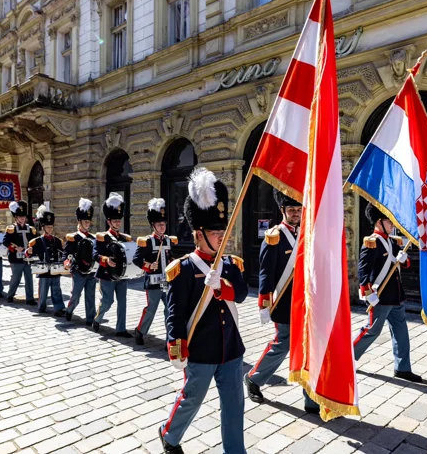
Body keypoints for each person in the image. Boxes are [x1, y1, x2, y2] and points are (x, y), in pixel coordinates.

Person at [158, 168, 248, 454]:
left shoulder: (232, 264)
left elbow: (243, 293)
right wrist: (176, 343)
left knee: (234, 405)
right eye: (214, 232)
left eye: (223, 231)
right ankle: (169, 434)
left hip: (231, 349)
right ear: (199, 235)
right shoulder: (183, 269)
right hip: (200, 348)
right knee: (192, 398)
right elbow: (175, 312)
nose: (221, 237)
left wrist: (223, 285)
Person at [244, 189, 320, 414]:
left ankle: (310, 399)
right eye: (291, 210)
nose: (296, 213)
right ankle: (254, 379)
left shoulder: (305, 233)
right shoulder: (274, 236)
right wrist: (264, 304)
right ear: (282, 210)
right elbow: (265, 274)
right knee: (283, 344)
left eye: (298, 209)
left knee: (309, 347)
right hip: (284, 301)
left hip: (307, 301)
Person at [353, 203, 420, 383]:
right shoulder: (372, 243)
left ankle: (403, 367)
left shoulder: (393, 241)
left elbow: (403, 264)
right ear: (378, 222)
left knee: (401, 333)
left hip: (396, 294)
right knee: (372, 331)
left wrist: (404, 259)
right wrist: (367, 294)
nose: (392, 224)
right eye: (388, 221)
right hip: (380, 296)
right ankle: (348, 358)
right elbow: (363, 271)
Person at [132, 198, 177, 345]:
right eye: (159, 224)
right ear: (153, 225)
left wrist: (172, 262)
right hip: (153, 281)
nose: (162, 227)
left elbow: (169, 256)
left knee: (170, 310)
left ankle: (169, 340)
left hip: (167, 281)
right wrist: (149, 265)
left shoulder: (168, 241)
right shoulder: (147, 241)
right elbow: (137, 259)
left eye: (164, 224)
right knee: (151, 309)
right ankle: (140, 331)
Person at [91, 193, 132, 337]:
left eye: (119, 221)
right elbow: (95, 255)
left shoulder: (124, 238)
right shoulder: (101, 237)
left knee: (122, 303)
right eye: (115, 221)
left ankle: (121, 329)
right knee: (108, 301)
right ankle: (97, 319)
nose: (118, 224)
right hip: (107, 275)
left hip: (121, 274)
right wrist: (106, 260)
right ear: (109, 222)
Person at [26, 205, 65, 316]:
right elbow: (29, 253)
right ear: (43, 228)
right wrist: (28, 252)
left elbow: (62, 252)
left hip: (55, 269)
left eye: (51, 227)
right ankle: (41, 306)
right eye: (47, 227)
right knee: (43, 290)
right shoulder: (36, 241)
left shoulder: (57, 241)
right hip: (43, 270)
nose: (50, 229)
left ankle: (58, 308)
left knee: (56, 289)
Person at [63, 198, 97, 325]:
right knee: (76, 295)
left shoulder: (93, 238)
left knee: (90, 297)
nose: (87, 224)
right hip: (78, 270)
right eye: (85, 221)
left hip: (91, 271)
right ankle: (69, 310)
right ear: (79, 222)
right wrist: (66, 262)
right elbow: (67, 254)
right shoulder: (74, 237)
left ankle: (90, 319)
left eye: (89, 221)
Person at [3, 200, 37, 305]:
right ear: (16, 218)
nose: (22, 219)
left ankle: (30, 298)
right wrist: (15, 248)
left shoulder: (30, 229)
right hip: (15, 258)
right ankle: (10, 295)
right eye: (20, 217)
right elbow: (5, 242)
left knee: (29, 278)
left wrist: (32, 249)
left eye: (24, 217)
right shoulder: (11, 228)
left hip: (28, 258)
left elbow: (35, 241)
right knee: (16, 278)